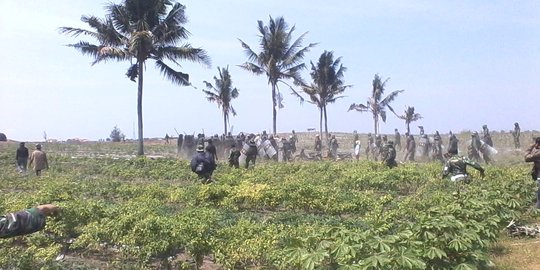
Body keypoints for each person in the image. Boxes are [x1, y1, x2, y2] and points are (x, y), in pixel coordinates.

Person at [525, 137, 540, 208]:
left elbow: (527, 158)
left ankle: (537, 208)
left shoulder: (538, 153)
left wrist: (531, 147)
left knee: (538, 191)